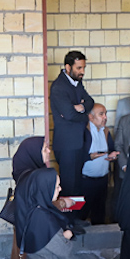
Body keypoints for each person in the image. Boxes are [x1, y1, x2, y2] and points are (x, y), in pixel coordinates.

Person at [10, 137, 74, 259]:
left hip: (30, 236)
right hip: (36, 244)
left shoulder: (27, 172)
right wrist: (62, 203)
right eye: (44, 149)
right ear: (33, 153)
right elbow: (39, 206)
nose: (49, 151)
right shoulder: (30, 178)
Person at [50, 50, 95, 198]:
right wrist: (86, 116)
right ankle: (69, 214)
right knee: (69, 188)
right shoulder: (59, 87)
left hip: (77, 143)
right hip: (67, 145)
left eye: (83, 67)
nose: (82, 72)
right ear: (68, 67)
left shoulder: (77, 82)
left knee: (77, 185)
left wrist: (80, 107)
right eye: (79, 68)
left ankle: (75, 213)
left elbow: (90, 102)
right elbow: (69, 114)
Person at [81, 103, 119, 224]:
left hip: (103, 180)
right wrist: (89, 157)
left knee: (100, 213)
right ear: (91, 117)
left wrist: (113, 155)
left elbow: (111, 149)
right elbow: (76, 156)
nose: (105, 117)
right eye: (101, 114)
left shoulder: (106, 131)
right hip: (86, 182)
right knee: (82, 214)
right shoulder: (83, 131)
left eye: (105, 114)